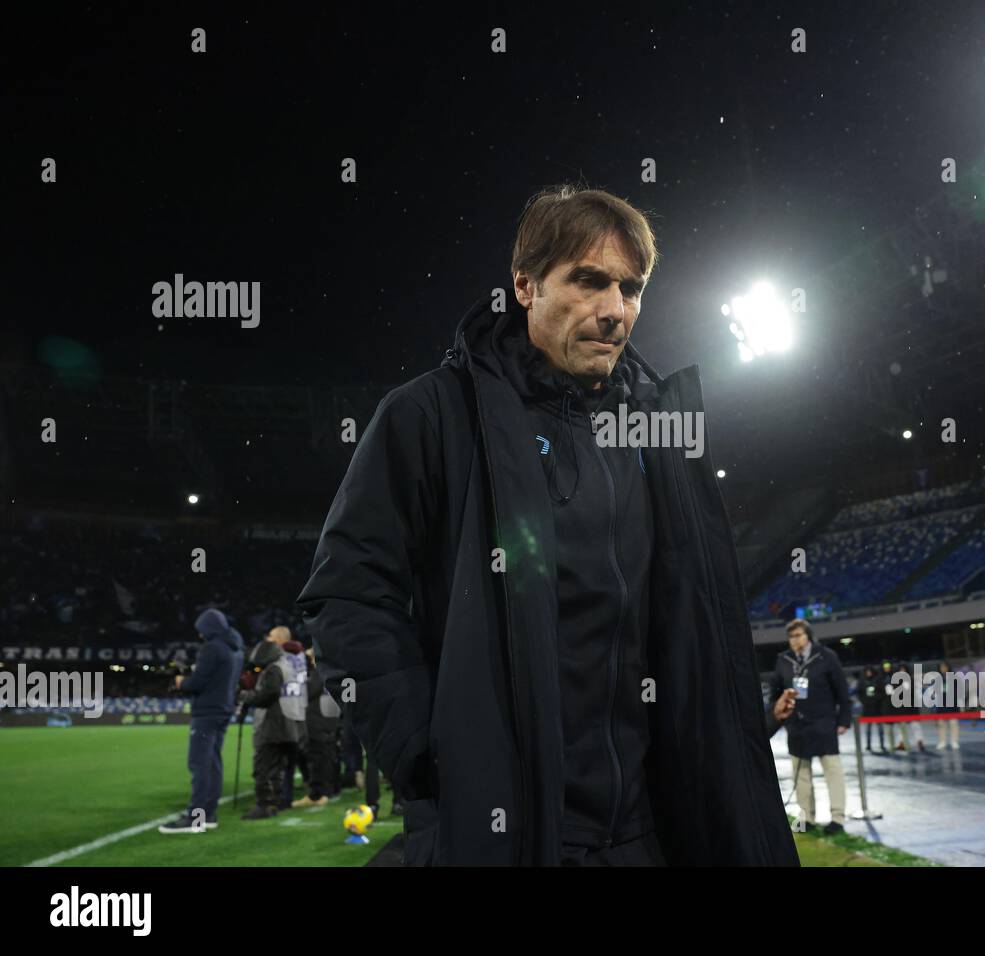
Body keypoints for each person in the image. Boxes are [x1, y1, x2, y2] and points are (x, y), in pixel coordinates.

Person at [297, 184, 798, 867]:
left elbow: (693, 624)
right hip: (515, 830)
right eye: (589, 282)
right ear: (525, 286)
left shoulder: (657, 433)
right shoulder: (430, 416)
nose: (615, 311)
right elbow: (349, 597)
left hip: (653, 832)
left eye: (631, 288)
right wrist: (431, 757)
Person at [159, 607, 244, 834]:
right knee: (213, 762)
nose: (200, 635)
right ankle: (209, 814)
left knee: (199, 763)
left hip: (207, 713)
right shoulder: (235, 649)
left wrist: (180, 682)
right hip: (223, 710)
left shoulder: (212, 649)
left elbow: (198, 683)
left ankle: (196, 817)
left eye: (201, 630)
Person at [771, 620, 851, 835]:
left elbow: (842, 691)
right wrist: (782, 720)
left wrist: (844, 720)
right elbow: (775, 694)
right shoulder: (783, 660)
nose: (795, 640)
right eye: (791, 636)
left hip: (824, 723)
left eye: (798, 635)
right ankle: (806, 817)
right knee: (800, 773)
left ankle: (837, 818)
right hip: (796, 725)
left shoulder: (826, 656)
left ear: (808, 635)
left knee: (832, 772)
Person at [241, 629, 308, 820]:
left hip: (274, 724)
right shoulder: (289, 665)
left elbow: (267, 695)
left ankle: (264, 805)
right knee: (278, 767)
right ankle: (276, 802)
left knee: (263, 766)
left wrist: (244, 695)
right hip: (290, 722)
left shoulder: (274, 668)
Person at [292, 647, 342, 808]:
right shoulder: (335, 672)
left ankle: (318, 794)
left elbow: (306, 693)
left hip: (317, 722)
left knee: (318, 759)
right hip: (330, 720)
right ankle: (331, 789)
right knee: (328, 757)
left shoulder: (319, 672)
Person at [858, 664, 888, 753]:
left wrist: (876, 698)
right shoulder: (862, 681)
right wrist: (864, 701)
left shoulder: (877, 680)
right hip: (867, 708)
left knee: (880, 729)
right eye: (867, 672)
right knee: (868, 729)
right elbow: (860, 693)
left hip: (877, 708)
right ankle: (868, 745)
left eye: (870, 671)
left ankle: (882, 744)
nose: (868, 673)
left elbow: (882, 693)